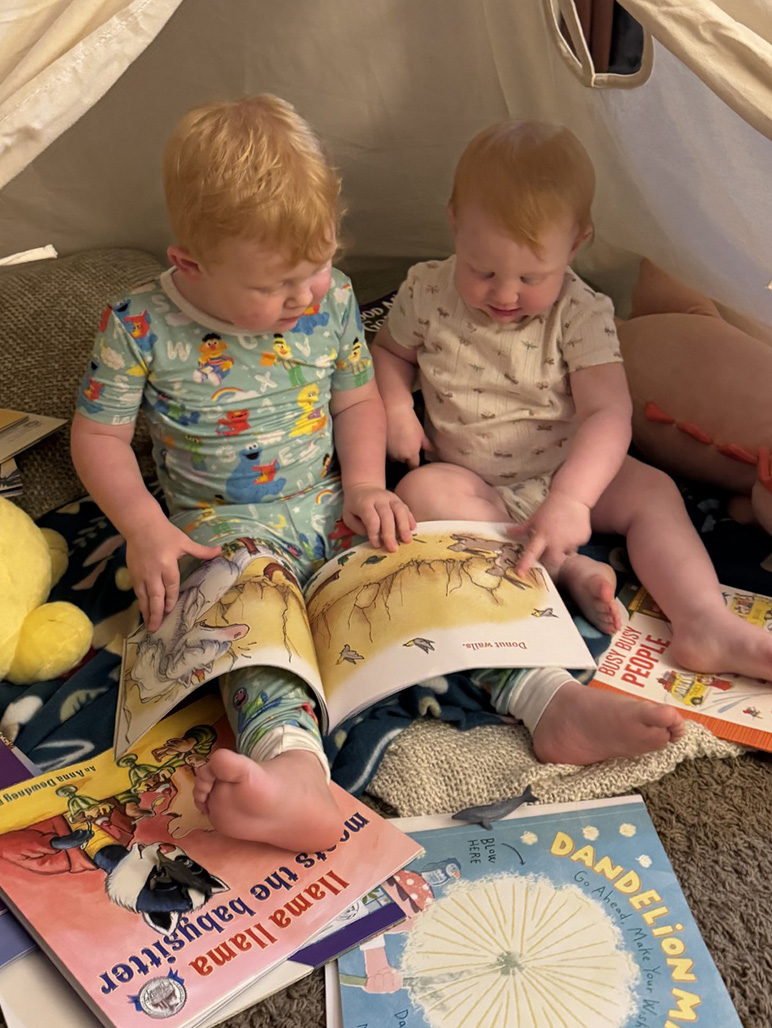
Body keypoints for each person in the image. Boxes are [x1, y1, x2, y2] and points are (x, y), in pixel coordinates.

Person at [70, 94, 414, 851]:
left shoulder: (334, 298)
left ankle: (546, 697)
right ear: (189, 264)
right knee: (247, 624)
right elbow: (97, 437)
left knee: (419, 572)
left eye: (319, 266)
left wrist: (365, 485)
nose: (306, 295)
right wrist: (144, 526)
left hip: (331, 502)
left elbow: (357, 400)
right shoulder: (137, 324)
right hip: (220, 530)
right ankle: (293, 770)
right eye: (274, 286)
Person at [373, 120, 772, 765]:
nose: (505, 294)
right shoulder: (425, 289)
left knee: (653, 492)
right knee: (422, 493)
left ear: (578, 242)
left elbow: (609, 414)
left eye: (532, 276)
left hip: (567, 469)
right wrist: (396, 404)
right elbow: (390, 351)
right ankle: (562, 568)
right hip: (476, 484)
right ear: (454, 224)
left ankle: (703, 620)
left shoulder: (581, 313)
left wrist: (573, 499)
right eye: (483, 270)